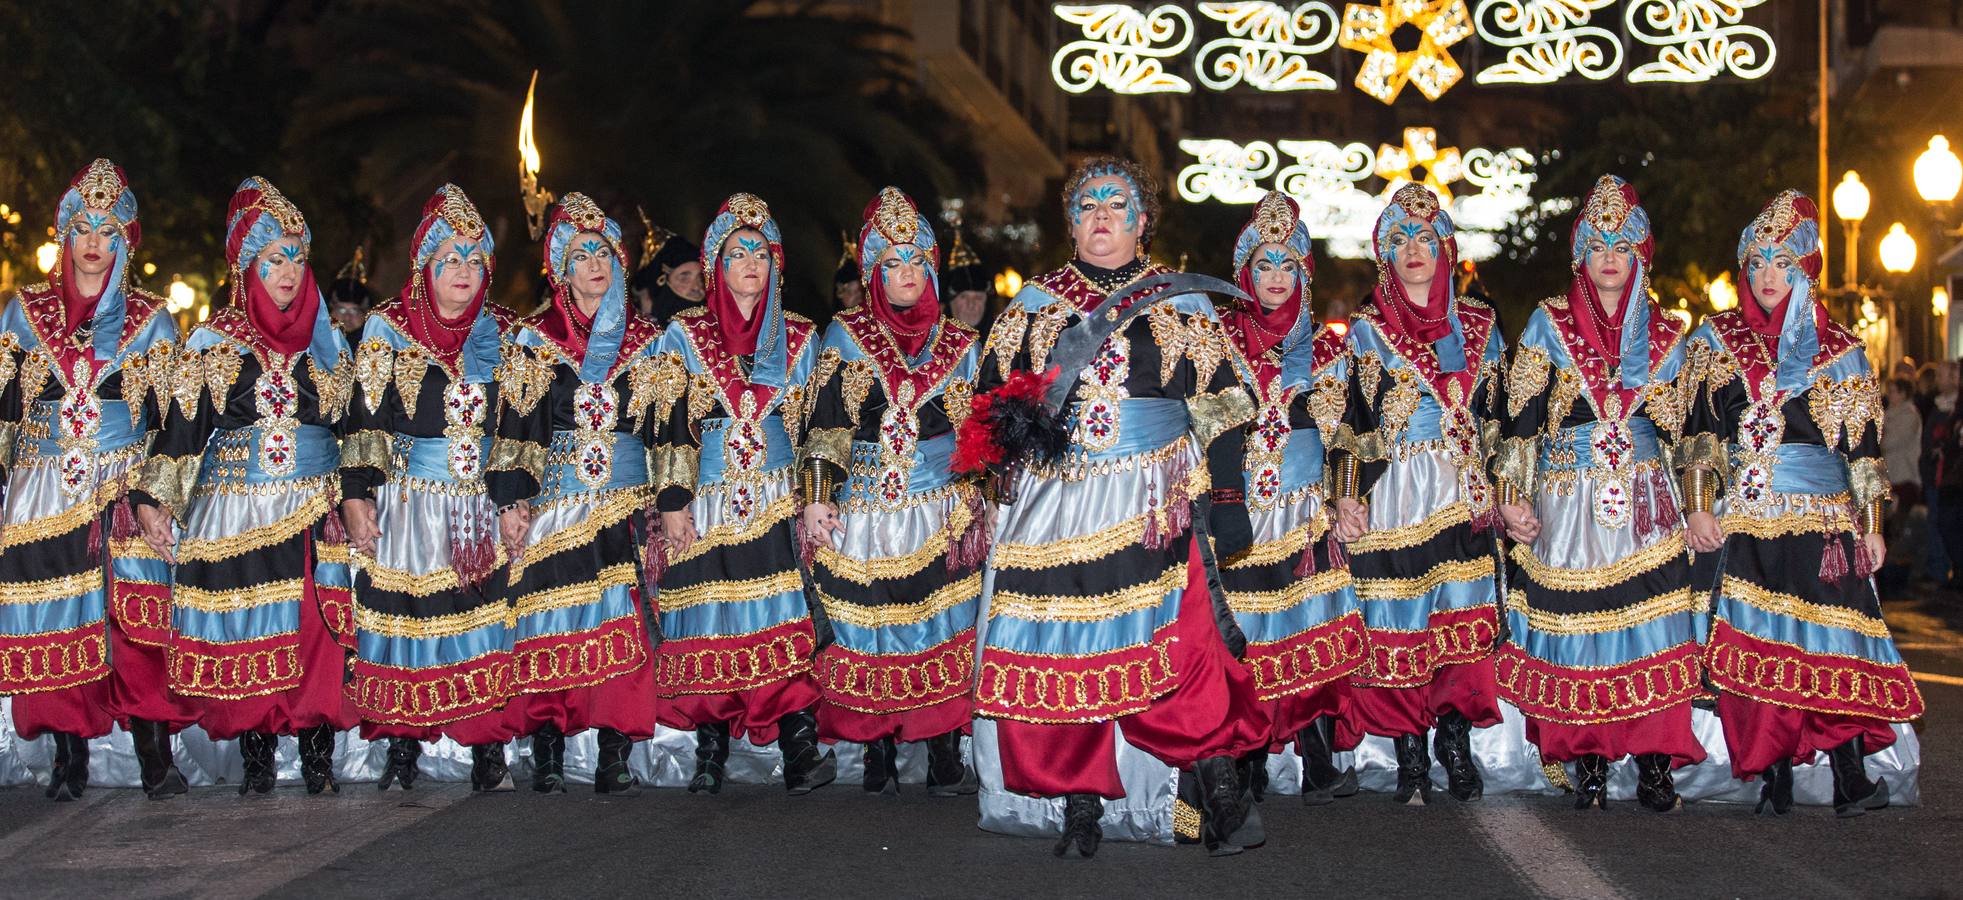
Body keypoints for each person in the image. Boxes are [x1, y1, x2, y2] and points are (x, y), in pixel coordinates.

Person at [962, 156, 1266, 857]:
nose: (1100, 215)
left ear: (1140, 220)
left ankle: (1219, 791)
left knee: (1184, 642)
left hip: (1153, 496)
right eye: (1086, 206)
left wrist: (1226, 499)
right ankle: (1077, 802)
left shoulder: (1179, 303)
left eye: (1115, 203)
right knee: (1062, 642)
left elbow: (1222, 411)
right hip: (1054, 503)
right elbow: (985, 408)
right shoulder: (1033, 306)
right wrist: (1008, 434)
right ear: (1070, 225)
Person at [1682, 190, 1924, 817]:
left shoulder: (1838, 349)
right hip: (1749, 521)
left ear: (1805, 267)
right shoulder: (1716, 342)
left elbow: (1863, 447)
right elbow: (1701, 433)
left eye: (1781, 262)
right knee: (1761, 641)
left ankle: (1848, 775)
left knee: (1833, 644)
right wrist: (1700, 505)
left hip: (1824, 521)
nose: (1766, 276)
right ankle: (1776, 774)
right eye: (1756, 261)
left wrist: (1873, 524)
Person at [130, 176, 358, 795]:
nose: (287, 271)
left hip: (314, 505)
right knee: (252, 623)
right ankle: (257, 759)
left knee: (316, 627)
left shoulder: (327, 343)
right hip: (236, 508)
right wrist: (153, 502)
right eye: (272, 258)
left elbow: (354, 425)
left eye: (296, 257)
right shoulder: (213, 342)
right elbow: (180, 431)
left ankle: (317, 757)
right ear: (246, 266)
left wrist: (361, 496)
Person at [1492, 175, 1704, 812]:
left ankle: (1655, 760)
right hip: (1568, 495)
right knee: (1577, 629)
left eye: (1622, 244)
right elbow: (1518, 418)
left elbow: (1693, 433)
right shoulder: (1546, 326)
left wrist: (1696, 503)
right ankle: (1586, 758)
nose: (1609, 256)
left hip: (1646, 499)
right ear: (1580, 254)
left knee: (1653, 624)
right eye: (1597, 243)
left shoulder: (1669, 332)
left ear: (1640, 253)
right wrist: (1512, 496)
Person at [0, 159, 188, 800]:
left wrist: (156, 493)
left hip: (124, 485)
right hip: (45, 483)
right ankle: (67, 755)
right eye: (81, 227)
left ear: (125, 240)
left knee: (138, 620)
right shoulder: (23, 313)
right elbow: (4, 405)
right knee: (57, 615)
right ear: (63, 232)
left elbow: (172, 420)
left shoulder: (152, 319)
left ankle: (154, 754)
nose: (92, 242)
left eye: (107, 231)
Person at [648, 192, 833, 795]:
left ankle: (799, 746)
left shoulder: (803, 337)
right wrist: (672, 500)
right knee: (709, 615)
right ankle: (710, 751)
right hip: (706, 496)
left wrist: (815, 495)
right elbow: (666, 421)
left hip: (779, 497)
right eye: (737, 252)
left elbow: (820, 428)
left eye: (760, 251)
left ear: (776, 263)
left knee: (784, 615)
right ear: (714, 265)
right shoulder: (682, 335)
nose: (750, 261)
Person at [800, 187, 983, 795]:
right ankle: (876, 746)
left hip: (941, 504)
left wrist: (978, 491)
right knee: (870, 623)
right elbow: (826, 424)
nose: (906, 277)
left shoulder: (961, 343)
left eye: (916, 265)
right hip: (866, 502)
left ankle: (942, 747)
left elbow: (978, 430)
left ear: (931, 270)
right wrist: (818, 497)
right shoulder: (847, 335)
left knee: (942, 619)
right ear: (874, 272)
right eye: (892, 265)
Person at [340, 185, 521, 792]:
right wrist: (357, 495)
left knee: (480, 617)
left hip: (477, 504)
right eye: (451, 260)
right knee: (405, 617)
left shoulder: (503, 336)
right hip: (410, 499)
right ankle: (402, 745)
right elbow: (366, 420)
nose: (464, 273)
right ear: (426, 267)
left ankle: (486, 746)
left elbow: (520, 427)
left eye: (475, 261)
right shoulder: (387, 330)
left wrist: (515, 500)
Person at [1333, 183, 1506, 806]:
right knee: (1399, 619)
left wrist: (1507, 490)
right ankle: (1409, 749)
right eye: (1399, 240)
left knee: (1460, 619)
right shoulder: (1368, 331)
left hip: (1461, 489)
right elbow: (1350, 418)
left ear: (1447, 249)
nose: (1413, 250)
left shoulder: (1482, 322)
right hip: (1396, 490)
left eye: (1425, 239)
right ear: (1385, 253)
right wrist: (1347, 495)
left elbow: (1498, 416)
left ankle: (1453, 742)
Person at [489, 192, 662, 795]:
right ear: (561, 266)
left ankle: (614, 754)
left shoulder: (649, 341)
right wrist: (512, 501)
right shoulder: (534, 340)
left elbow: (666, 427)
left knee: (619, 619)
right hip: (554, 502)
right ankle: (548, 752)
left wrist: (669, 499)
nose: (596, 263)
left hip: (623, 503)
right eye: (582, 252)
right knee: (550, 622)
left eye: (606, 252)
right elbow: (515, 427)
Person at [1214, 192, 1367, 807]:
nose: (1275, 279)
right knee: (1244, 631)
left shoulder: (1329, 351)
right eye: (1264, 266)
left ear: (1304, 273)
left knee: (1313, 627)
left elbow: (1353, 435)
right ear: (1245, 273)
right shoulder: (1219, 341)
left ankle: (1320, 758)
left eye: (1287, 266)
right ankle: (1247, 755)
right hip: (1240, 505)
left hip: (1306, 510)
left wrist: (1347, 497)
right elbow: (1206, 428)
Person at [631, 219, 703, 328]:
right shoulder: (630, 331)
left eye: (701, 278)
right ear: (661, 281)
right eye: (684, 279)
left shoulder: (714, 329)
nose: (697, 287)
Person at [943, 226, 993, 332]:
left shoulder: (1000, 344)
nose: (971, 304)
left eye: (978, 297)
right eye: (963, 297)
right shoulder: (931, 344)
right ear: (950, 302)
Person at [327, 249, 375, 341]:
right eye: (341, 310)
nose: (347, 317)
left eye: (354, 311)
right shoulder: (315, 343)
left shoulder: (373, 344)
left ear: (366, 314)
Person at [834, 232, 865, 312]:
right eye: (852, 292)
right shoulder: (834, 323)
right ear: (840, 292)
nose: (859, 296)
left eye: (860, 290)